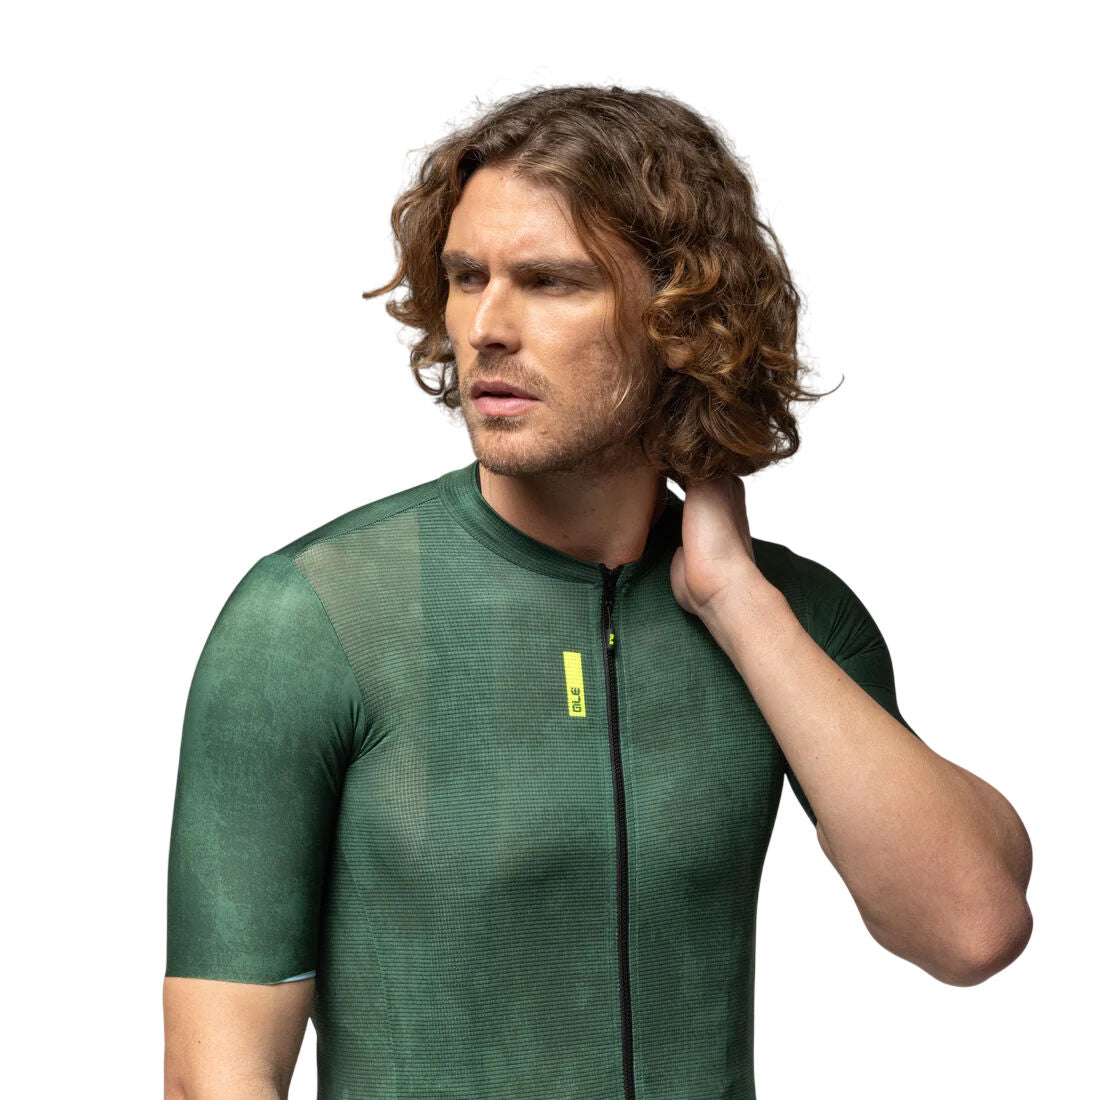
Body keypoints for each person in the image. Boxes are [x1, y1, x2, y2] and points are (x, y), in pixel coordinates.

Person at [163, 84, 1033, 1099]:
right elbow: (213, 1076)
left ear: (679, 318)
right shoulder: (311, 616)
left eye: (550, 282)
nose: (486, 326)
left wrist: (735, 600)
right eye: (466, 277)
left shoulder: (788, 617)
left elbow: (971, 926)